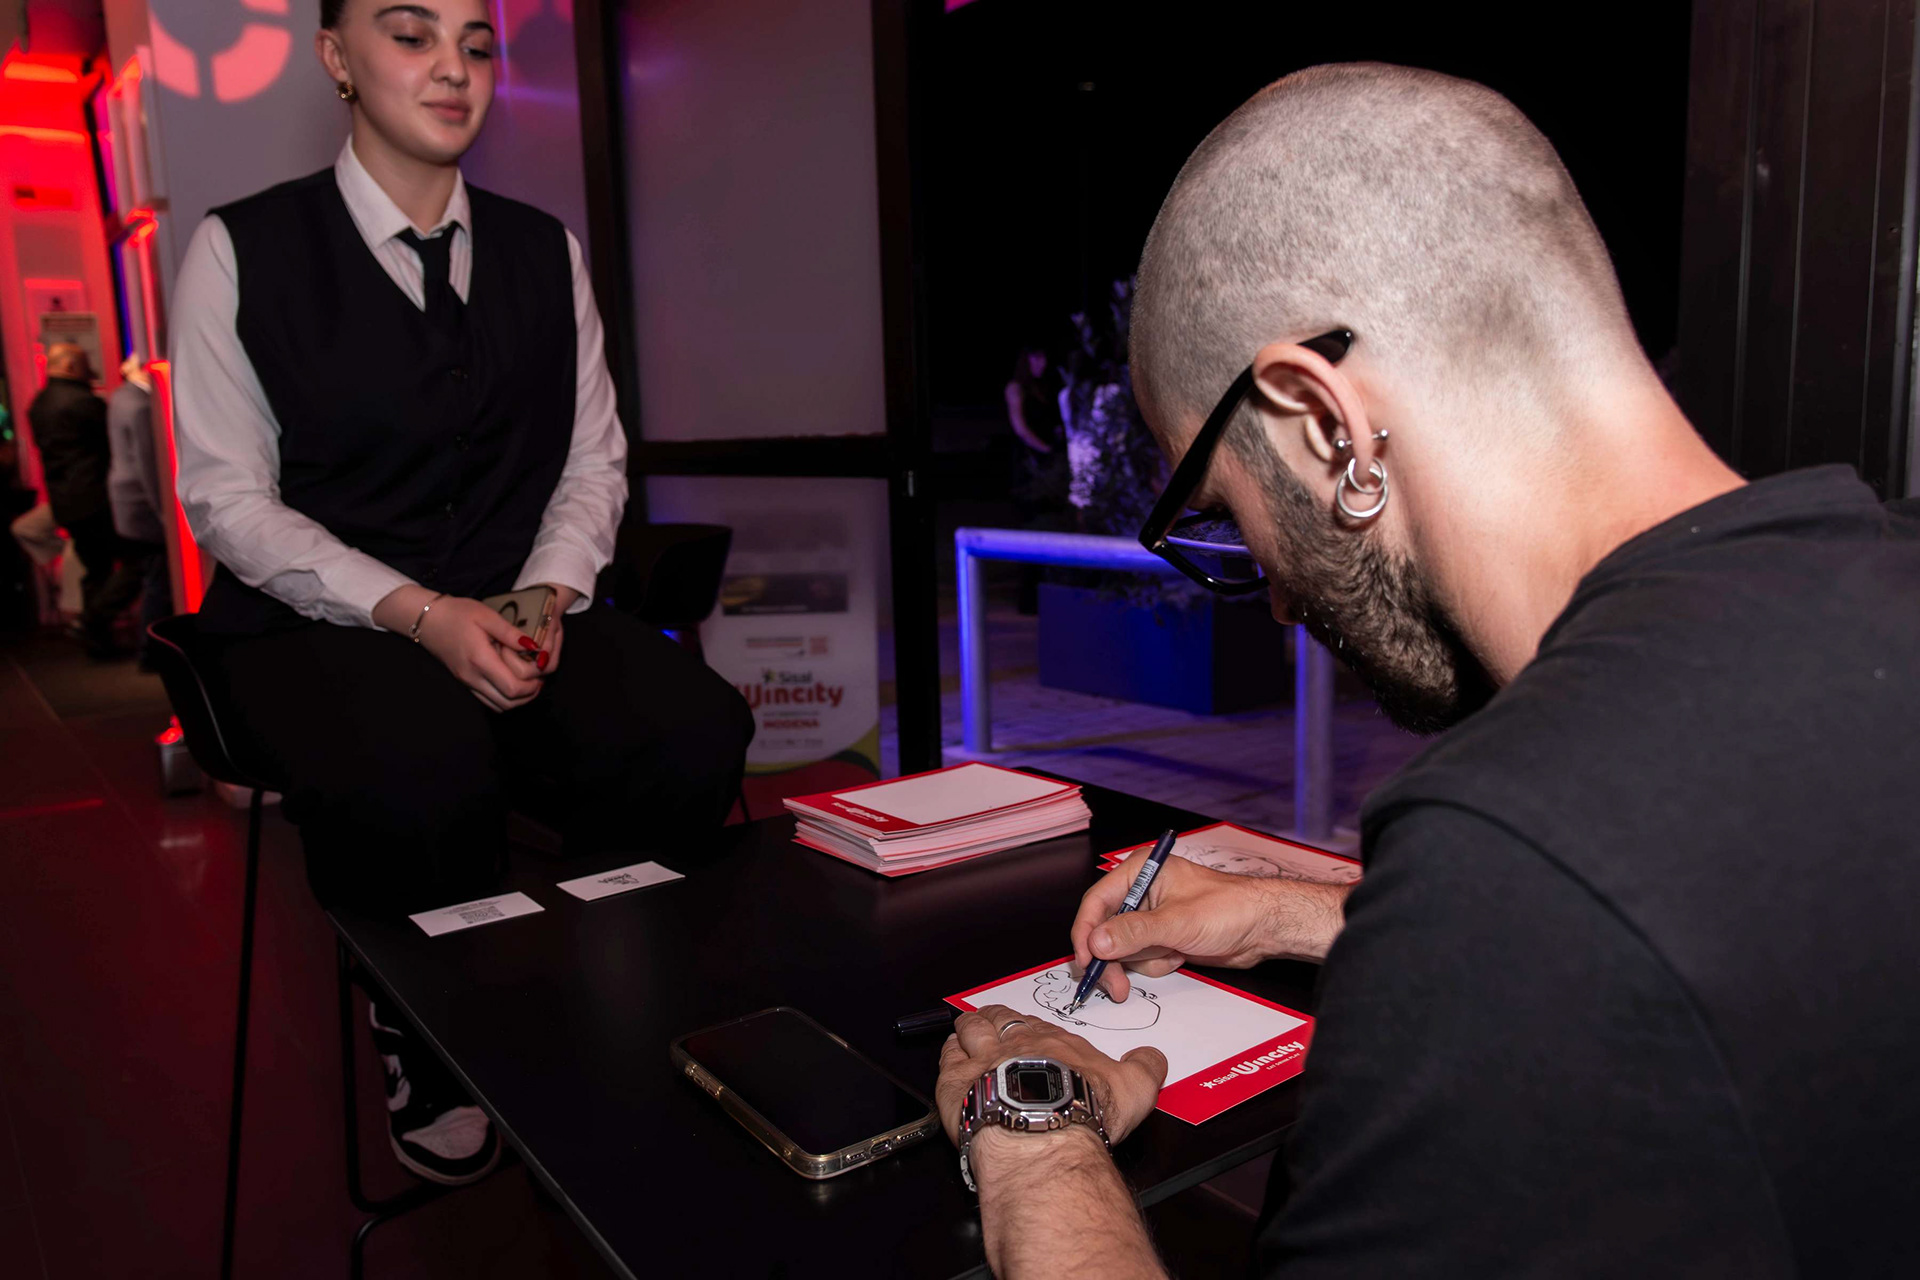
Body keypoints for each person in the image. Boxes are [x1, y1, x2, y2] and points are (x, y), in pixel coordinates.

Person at [934, 64, 1920, 1277]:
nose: (1278, 595)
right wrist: (1313, 913)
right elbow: (1744, 924)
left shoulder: (1507, 857)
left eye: (1233, 515)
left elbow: (1567, 907)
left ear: (1327, 424)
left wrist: (1035, 1138)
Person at [170, 0, 752, 1187]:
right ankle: (418, 1019)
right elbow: (228, 500)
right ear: (336, 57)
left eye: (475, 43)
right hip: (320, 617)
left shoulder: (547, 250)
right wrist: (417, 611)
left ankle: (603, 956)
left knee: (691, 725)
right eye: (411, 34)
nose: (454, 67)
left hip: (509, 588)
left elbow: (593, 460)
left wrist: (545, 593)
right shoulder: (240, 248)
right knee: (419, 758)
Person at [27, 342, 145, 655]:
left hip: (66, 501)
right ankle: (92, 621)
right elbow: (113, 449)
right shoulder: (83, 403)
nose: (90, 370)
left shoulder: (40, 403)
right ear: (69, 366)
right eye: (83, 364)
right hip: (95, 497)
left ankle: (97, 637)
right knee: (137, 562)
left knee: (96, 568)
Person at [104, 357, 169, 667]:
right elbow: (149, 466)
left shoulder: (120, 397)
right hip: (143, 505)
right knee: (158, 580)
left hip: (127, 503)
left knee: (148, 575)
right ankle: (151, 651)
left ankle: (149, 648)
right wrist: (165, 514)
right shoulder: (141, 405)